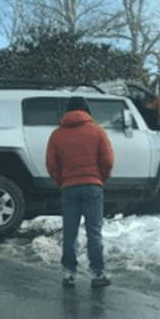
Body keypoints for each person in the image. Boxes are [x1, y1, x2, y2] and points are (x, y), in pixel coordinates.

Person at [46, 96, 114, 287]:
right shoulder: (97, 131)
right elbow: (107, 161)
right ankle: (97, 273)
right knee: (94, 232)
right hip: (93, 187)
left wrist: (62, 181)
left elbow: (51, 164)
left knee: (70, 232)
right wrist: (99, 179)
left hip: (69, 188)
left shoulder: (57, 134)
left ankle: (68, 273)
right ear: (86, 110)